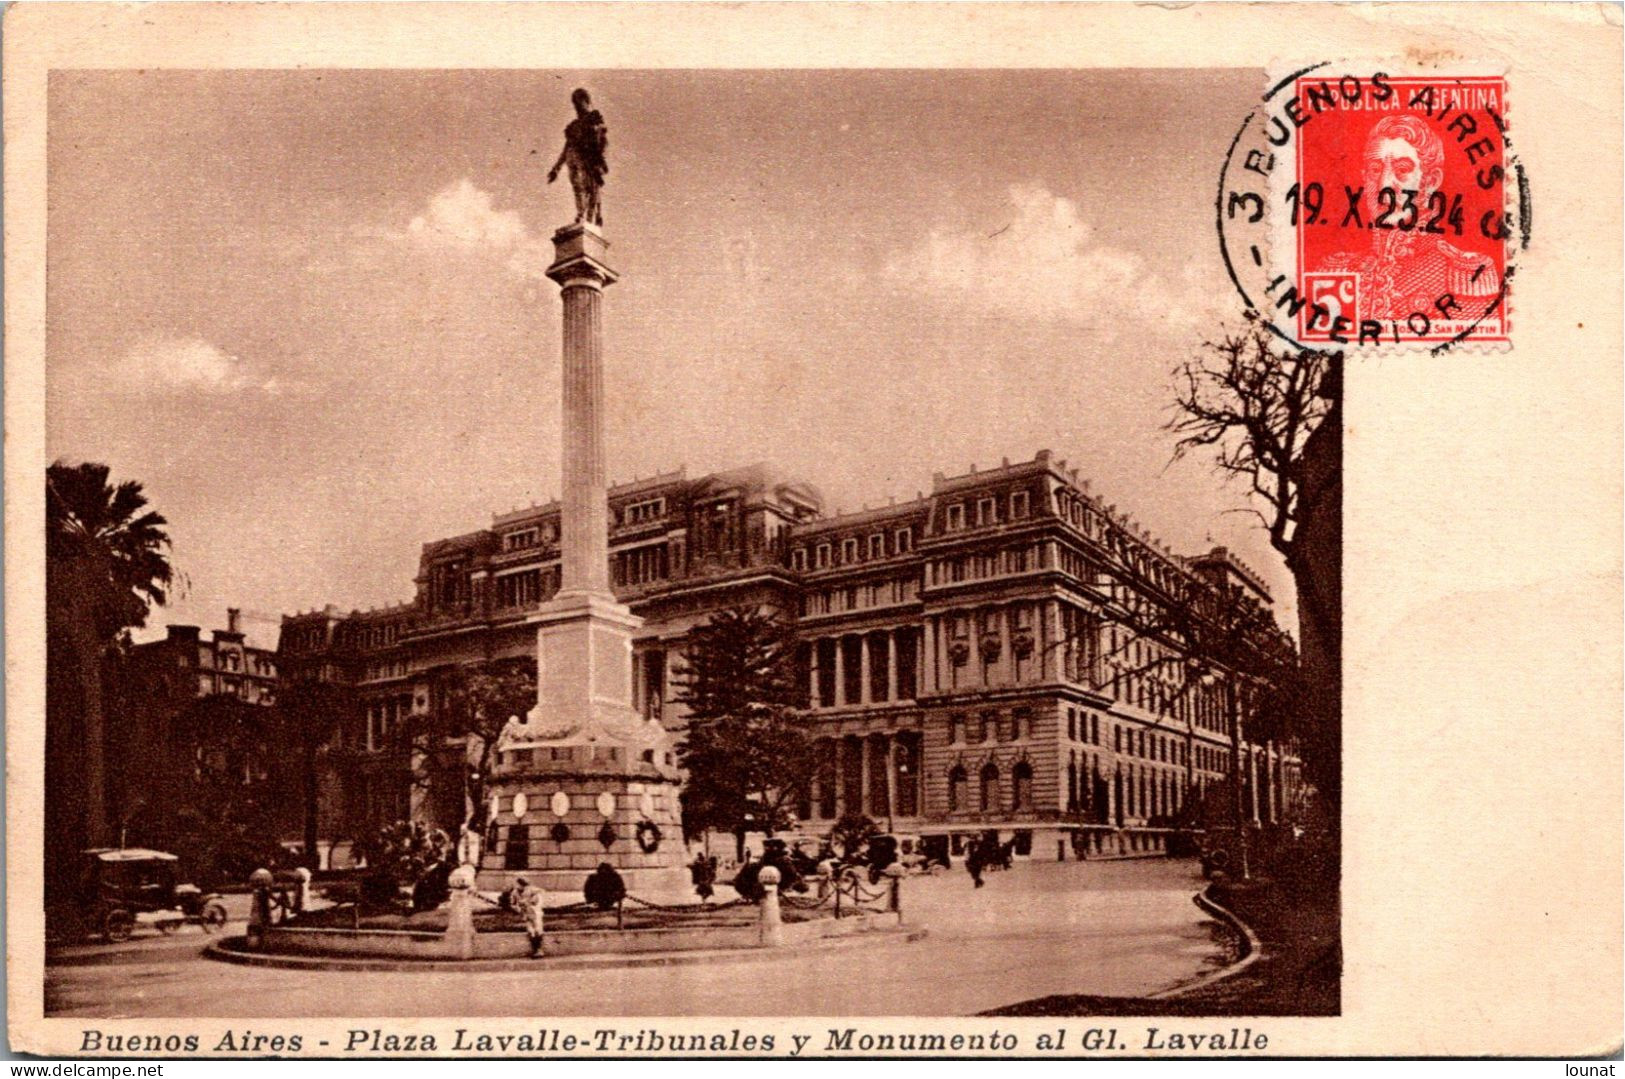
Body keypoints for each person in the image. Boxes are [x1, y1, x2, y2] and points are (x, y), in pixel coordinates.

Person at [1312, 113, 1500, 326]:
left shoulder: (1466, 273)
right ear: (1364, 178)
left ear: (1431, 181)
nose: (1384, 184)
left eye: (1402, 170)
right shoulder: (1337, 271)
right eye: (1375, 170)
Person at [547, 88, 609, 227]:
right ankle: (581, 214)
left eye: (579, 102)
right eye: (574, 103)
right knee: (577, 187)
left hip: (588, 158)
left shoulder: (594, 119)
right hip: (572, 157)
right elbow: (566, 147)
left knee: (589, 188)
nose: (576, 106)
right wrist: (556, 168)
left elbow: (603, 141)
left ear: (586, 102)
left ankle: (587, 217)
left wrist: (600, 158)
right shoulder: (573, 126)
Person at [509, 877, 547, 956]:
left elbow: (541, 893)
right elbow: (513, 903)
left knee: (538, 930)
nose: (518, 886)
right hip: (525, 914)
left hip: (535, 913)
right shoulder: (515, 893)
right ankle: (534, 949)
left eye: (520, 885)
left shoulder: (531, 890)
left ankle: (539, 949)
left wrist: (534, 901)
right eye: (518, 884)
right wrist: (518, 908)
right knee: (530, 931)